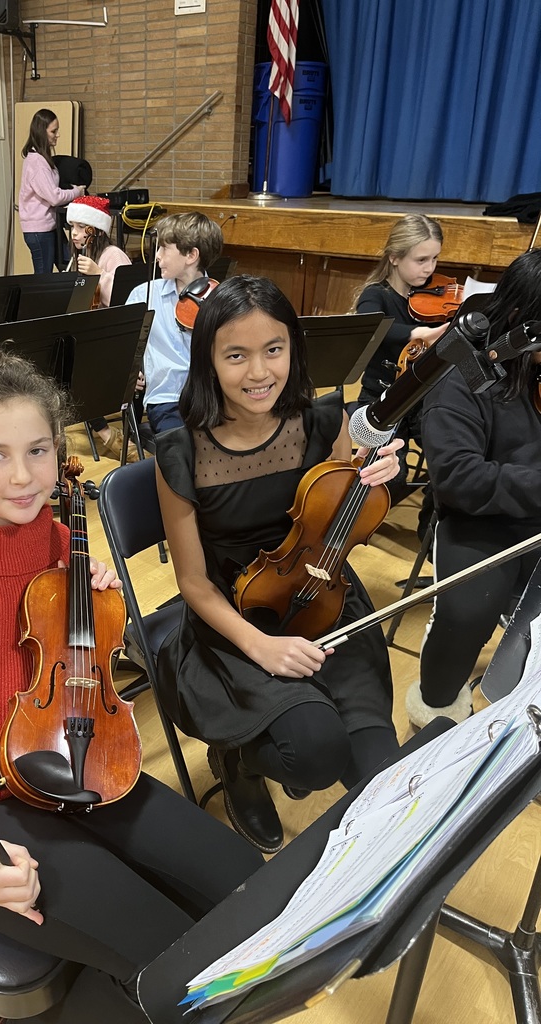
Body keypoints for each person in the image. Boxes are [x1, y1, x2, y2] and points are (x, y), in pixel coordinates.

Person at [0, 351, 263, 1024]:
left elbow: (68, 644)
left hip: (78, 756)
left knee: (253, 891)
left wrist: (93, 597)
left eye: (39, 450)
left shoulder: (50, 534)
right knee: (174, 957)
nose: (23, 475)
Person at [155, 276, 403, 854]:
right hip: (235, 618)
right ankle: (237, 759)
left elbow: (339, 529)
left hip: (323, 598)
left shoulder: (323, 423)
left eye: (274, 350)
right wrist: (261, 646)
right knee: (316, 755)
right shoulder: (181, 453)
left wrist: (374, 479)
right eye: (235, 355)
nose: (259, 372)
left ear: (294, 348)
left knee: (379, 773)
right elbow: (192, 581)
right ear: (208, 362)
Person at [406, 248, 541, 729]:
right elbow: (459, 479)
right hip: (479, 522)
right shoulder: (462, 377)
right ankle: (436, 702)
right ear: (522, 321)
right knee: (467, 614)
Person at [354, 214, 449, 509]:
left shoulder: (434, 294)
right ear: (394, 258)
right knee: (391, 481)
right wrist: (417, 332)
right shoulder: (376, 295)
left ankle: (434, 526)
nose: (430, 268)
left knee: (451, 459)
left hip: (424, 399)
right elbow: (372, 327)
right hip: (383, 399)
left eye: (434, 259)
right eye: (421, 260)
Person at [126, 212, 224, 436]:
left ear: (191, 255)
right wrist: (132, 372)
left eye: (164, 249)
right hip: (167, 401)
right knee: (184, 449)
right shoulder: (144, 294)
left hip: (213, 398)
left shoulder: (221, 298)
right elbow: (124, 347)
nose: (157, 256)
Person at [66, 194, 136, 461]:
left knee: (76, 369)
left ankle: (106, 434)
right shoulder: (80, 256)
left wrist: (98, 274)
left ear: (95, 230)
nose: (74, 233)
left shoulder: (112, 255)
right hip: (93, 335)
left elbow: (127, 300)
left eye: (80, 228)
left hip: (115, 338)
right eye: (72, 227)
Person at [19, 109, 85, 274]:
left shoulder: (42, 159)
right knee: (43, 277)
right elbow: (54, 197)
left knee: (70, 264)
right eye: (53, 131)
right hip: (39, 231)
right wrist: (77, 192)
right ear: (42, 132)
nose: (57, 135)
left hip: (49, 227)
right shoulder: (37, 162)